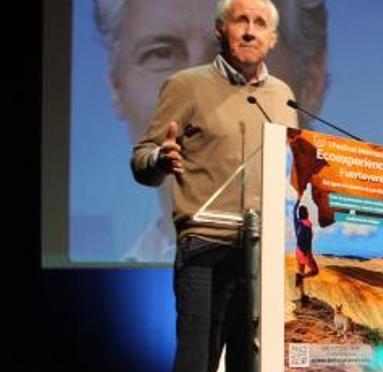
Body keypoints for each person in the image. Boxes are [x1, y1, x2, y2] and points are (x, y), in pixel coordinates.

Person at [128, 0, 300, 372]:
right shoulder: (187, 84)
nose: (249, 31)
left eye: (260, 24)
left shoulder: (283, 98)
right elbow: (143, 157)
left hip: (260, 257)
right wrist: (160, 159)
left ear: (272, 38)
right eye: (240, 21)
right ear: (221, 30)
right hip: (206, 246)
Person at [96, 0, 328, 262]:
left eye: (232, 50)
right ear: (117, 88)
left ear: (311, 81)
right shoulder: (108, 292)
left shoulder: (359, 261)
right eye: (161, 54)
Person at [292, 201, 319, 300]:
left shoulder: (296, 222)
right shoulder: (308, 224)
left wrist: (298, 200)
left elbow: (293, 211)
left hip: (298, 251)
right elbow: (308, 240)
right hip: (305, 253)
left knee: (300, 270)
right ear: (307, 213)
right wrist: (308, 253)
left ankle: (302, 295)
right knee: (315, 271)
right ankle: (302, 276)